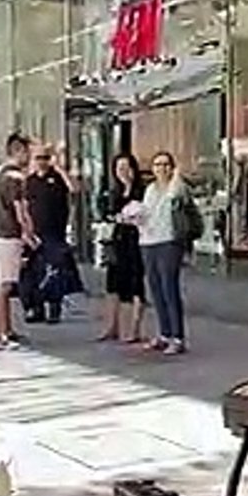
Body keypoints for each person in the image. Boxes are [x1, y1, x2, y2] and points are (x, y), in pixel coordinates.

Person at [132, 151, 190, 356]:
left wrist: (178, 173)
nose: (161, 168)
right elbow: (147, 213)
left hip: (168, 241)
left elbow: (175, 196)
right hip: (148, 241)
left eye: (166, 164)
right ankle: (164, 333)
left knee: (169, 288)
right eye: (157, 165)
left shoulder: (176, 187)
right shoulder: (150, 189)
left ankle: (177, 336)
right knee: (155, 288)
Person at [0, 134, 36, 349]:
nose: (29, 157)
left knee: (5, 283)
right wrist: (29, 233)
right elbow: (20, 210)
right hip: (9, 235)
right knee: (5, 285)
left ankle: (6, 328)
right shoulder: (16, 178)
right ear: (18, 151)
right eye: (28, 152)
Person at [97, 154, 147, 343]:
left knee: (135, 284)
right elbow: (108, 213)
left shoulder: (141, 191)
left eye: (127, 168)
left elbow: (144, 214)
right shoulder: (114, 192)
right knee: (113, 283)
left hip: (136, 240)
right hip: (117, 239)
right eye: (119, 169)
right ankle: (112, 326)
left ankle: (134, 329)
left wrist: (130, 218)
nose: (123, 172)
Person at [23, 142, 74, 324]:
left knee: (55, 271)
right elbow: (25, 206)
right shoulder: (30, 181)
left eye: (45, 158)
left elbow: (74, 188)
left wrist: (59, 167)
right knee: (35, 273)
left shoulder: (57, 178)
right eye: (38, 158)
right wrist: (26, 231)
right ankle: (37, 308)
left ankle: (55, 308)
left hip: (55, 232)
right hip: (36, 233)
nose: (42, 162)